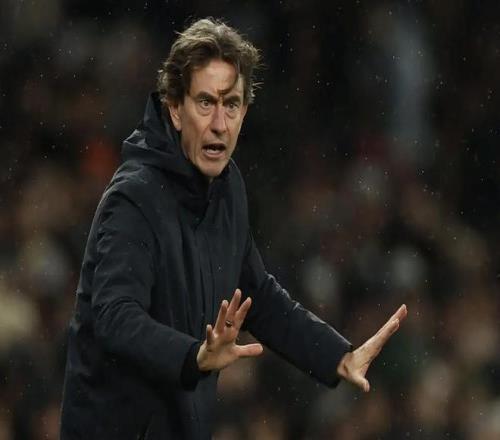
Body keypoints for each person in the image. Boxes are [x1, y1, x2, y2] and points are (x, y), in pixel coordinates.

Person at [60, 17, 407, 439]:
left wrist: (337, 356)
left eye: (232, 105)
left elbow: (257, 296)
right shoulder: (134, 199)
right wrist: (194, 356)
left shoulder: (227, 189)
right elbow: (115, 317)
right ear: (175, 109)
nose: (220, 124)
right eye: (205, 102)